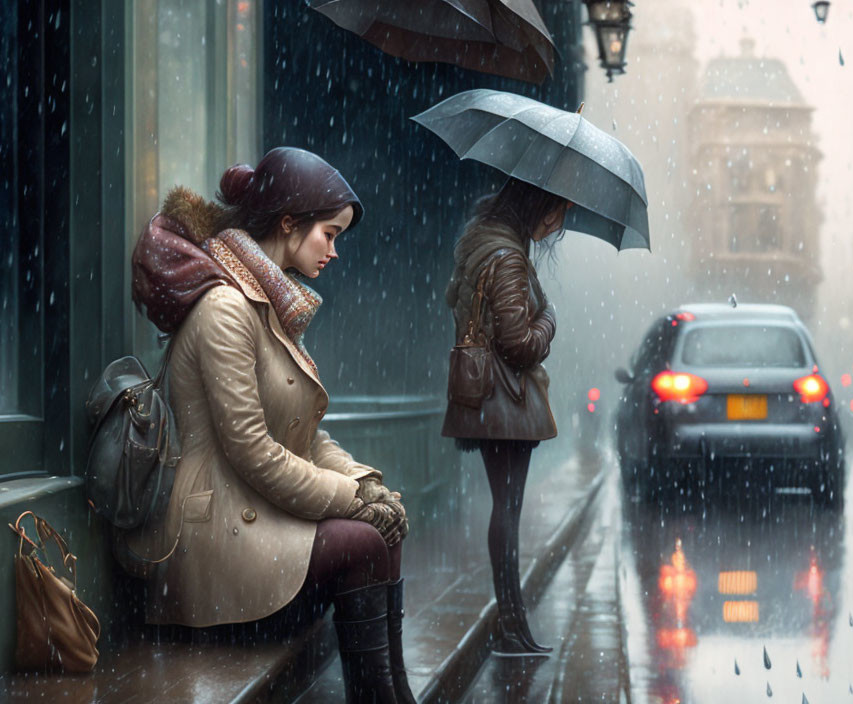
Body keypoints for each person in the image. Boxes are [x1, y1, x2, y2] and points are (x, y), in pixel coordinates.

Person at [125, 147, 415, 703]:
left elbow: (304, 435)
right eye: (329, 234)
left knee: (386, 528)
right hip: (215, 537)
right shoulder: (226, 309)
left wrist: (367, 484)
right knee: (364, 542)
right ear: (289, 223)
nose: (334, 250)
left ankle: (394, 694)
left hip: (251, 519)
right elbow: (252, 450)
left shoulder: (266, 301)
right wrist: (351, 501)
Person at [441, 177, 570, 655]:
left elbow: (458, 304)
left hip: (485, 396)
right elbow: (519, 345)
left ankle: (512, 618)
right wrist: (549, 318)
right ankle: (512, 622)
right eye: (555, 211)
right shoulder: (509, 256)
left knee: (505, 508)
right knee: (508, 510)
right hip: (508, 399)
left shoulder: (478, 243)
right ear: (537, 204)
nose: (556, 223)